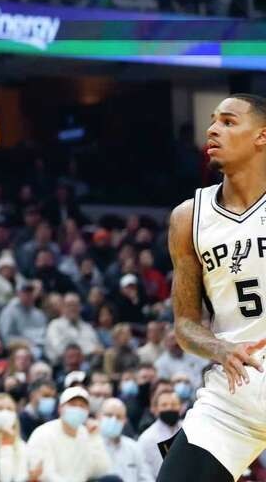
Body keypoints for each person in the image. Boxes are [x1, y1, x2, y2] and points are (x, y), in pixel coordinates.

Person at [158, 94, 266, 482]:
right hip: (234, 394)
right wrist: (220, 348)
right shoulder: (188, 218)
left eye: (228, 121)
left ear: (262, 136)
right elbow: (185, 325)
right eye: (212, 121)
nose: (213, 130)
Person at [25, 388, 112, 482]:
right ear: (60, 408)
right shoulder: (43, 433)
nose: (78, 409)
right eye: (73, 405)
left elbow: (101, 470)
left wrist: (94, 438)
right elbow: (45, 474)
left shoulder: (87, 434)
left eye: (82, 406)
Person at [95, 398, 147, 482]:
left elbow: (146, 477)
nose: (114, 420)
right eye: (109, 415)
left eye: (119, 417)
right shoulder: (89, 446)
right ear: (98, 416)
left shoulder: (134, 447)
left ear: (125, 421)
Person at [136, 389, 181, 480]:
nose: (169, 408)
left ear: (180, 407)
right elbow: (143, 472)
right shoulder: (147, 438)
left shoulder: (189, 430)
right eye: (164, 405)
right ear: (156, 409)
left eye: (174, 404)